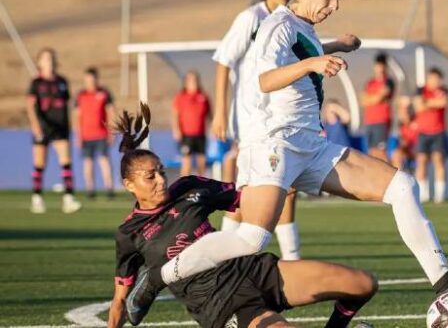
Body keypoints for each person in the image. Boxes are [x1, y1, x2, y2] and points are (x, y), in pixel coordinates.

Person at [125, 0, 448, 323]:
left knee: (402, 186)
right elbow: (266, 79)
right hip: (274, 145)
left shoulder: (302, 28)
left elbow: (300, 52)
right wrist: (316, 62)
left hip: (311, 146)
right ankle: (158, 276)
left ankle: (444, 280)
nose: (335, 4)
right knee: (250, 239)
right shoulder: (276, 25)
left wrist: (333, 46)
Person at [107, 104, 378, 328]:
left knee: (362, 284)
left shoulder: (189, 188)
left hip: (253, 269)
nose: (161, 181)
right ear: (128, 184)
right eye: (150, 177)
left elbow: (245, 199)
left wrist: (282, 182)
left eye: (162, 172)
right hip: (220, 302)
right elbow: (121, 301)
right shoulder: (129, 233)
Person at [209, 0, 301, 260]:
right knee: (250, 188)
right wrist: (221, 113)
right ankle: (222, 256)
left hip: (285, 116)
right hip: (253, 119)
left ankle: (290, 258)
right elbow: (224, 61)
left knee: (287, 185)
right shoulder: (251, 18)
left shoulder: (293, 20)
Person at [26, 47, 82, 214]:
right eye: (46, 58)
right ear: (39, 62)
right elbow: (30, 106)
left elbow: (68, 105)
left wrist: (71, 124)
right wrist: (36, 126)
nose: (49, 61)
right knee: (39, 164)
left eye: (51, 58)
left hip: (60, 127)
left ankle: (68, 198)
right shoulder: (36, 83)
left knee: (66, 162)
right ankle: (37, 198)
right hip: (43, 127)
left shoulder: (62, 81)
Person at [74, 67, 116, 200]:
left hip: (102, 135)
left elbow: (111, 113)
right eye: (87, 80)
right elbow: (76, 117)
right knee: (88, 163)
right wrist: (78, 136)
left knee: (104, 161)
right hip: (86, 136)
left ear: (96, 80)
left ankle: (109, 189)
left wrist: (111, 132)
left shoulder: (104, 94)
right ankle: (90, 190)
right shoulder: (80, 95)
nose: (90, 83)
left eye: (92, 80)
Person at [413, 68, 448, 203]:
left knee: (438, 160)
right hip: (423, 132)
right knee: (421, 161)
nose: (435, 82)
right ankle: (424, 194)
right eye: (433, 79)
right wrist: (433, 103)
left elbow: (443, 102)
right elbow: (418, 107)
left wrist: (426, 103)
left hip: (438, 131)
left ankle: (440, 195)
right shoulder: (420, 90)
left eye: (438, 79)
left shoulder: (444, 90)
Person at [172, 70, 210, 177]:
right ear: (186, 82)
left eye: (195, 79)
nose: (194, 82)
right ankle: (184, 187)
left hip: (201, 134)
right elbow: (175, 115)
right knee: (186, 163)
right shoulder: (181, 97)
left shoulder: (203, 96)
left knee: (202, 162)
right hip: (186, 135)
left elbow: (209, 115)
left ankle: (200, 186)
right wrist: (176, 130)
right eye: (191, 80)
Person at [360, 52, 394, 162]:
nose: (379, 68)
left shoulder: (389, 82)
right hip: (370, 121)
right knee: (372, 153)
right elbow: (363, 101)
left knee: (381, 152)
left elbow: (378, 98)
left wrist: (372, 98)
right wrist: (373, 99)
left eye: (382, 65)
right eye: (377, 65)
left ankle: (390, 176)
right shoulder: (370, 83)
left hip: (382, 121)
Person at [391, 96, 418, 172]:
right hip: (407, 149)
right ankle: (399, 176)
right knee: (396, 154)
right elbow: (402, 143)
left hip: (418, 149)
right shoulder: (401, 126)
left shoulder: (417, 122)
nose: (402, 114)